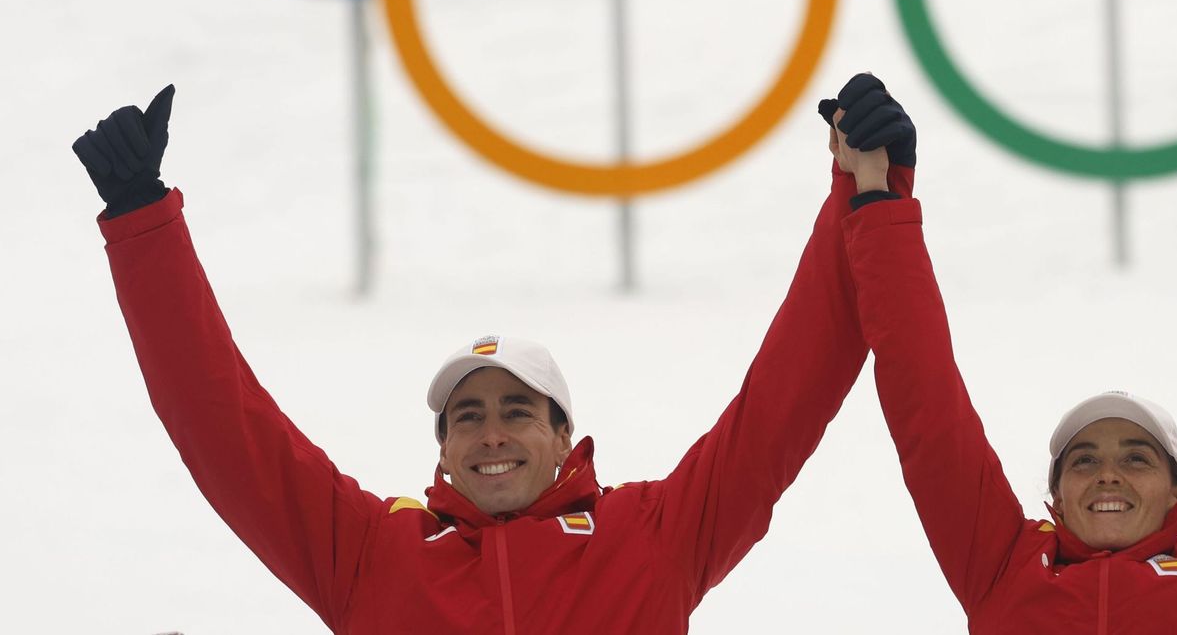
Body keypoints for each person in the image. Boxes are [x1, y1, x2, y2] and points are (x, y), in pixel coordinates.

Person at [72, 79, 913, 635]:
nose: (491, 433)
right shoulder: (373, 554)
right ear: (440, 450)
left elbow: (788, 396)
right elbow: (225, 428)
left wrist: (864, 194)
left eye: (517, 410)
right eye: (466, 417)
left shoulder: (650, 535)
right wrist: (144, 219)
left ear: (563, 436)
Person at [826, 41, 1177, 633]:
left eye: (1137, 458)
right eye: (1084, 459)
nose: (1108, 474)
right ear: (1056, 499)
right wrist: (875, 196)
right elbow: (927, 407)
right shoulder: (999, 568)